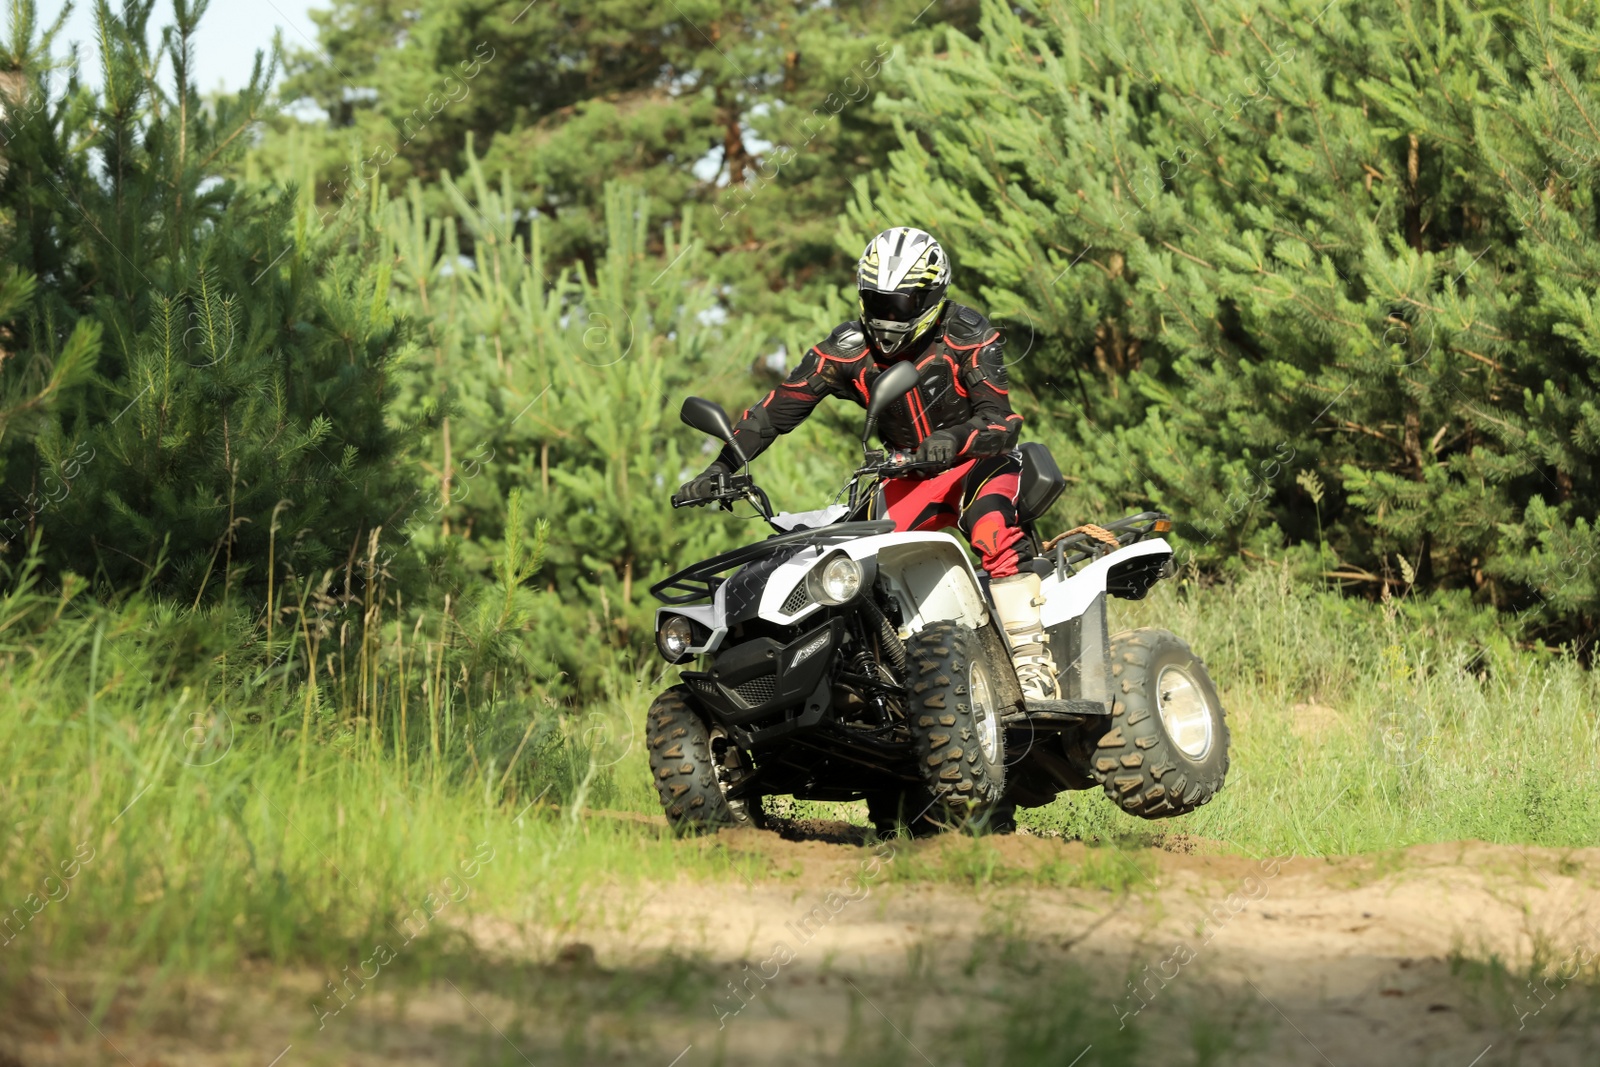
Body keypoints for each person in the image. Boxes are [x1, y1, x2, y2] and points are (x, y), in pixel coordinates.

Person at [672, 226, 1058, 701]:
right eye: (877, 304)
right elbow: (774, 411)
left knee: (990, 527)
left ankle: (1033, 668)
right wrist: (721, 467)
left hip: (979, 465)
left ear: (932, 297)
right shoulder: (847, 350)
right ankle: (880, 686)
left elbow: (1002, 422)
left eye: (899, 307)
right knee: (850, 572)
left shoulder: (969, 335)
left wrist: (952, 438)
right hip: (905, 478)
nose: (887, 319)